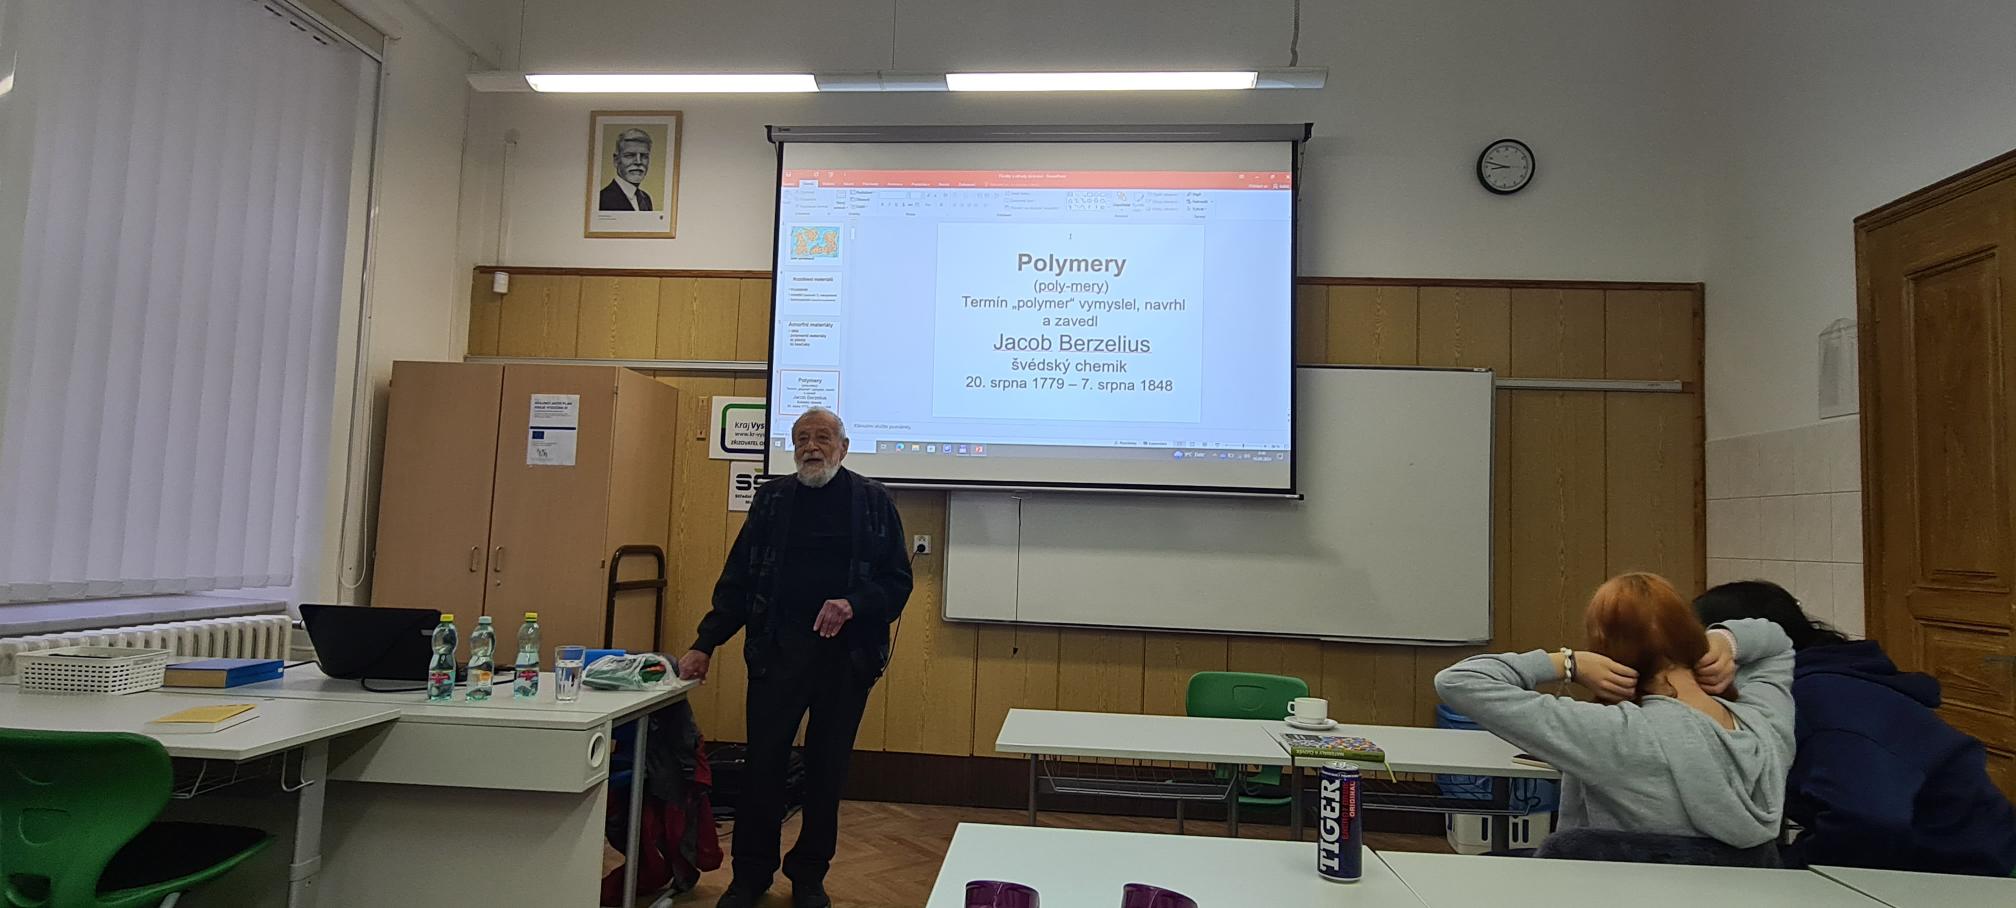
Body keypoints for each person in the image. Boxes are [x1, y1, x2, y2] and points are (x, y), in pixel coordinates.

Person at [678, 407, 911, 908]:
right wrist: (705, 643)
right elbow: (739, 579)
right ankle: (750, 876)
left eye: (823, 438)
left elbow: (897, 582)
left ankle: (809, 875)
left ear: (843, 448)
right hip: (777, 654)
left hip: (846, 660)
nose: (812, 447)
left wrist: (853, 604)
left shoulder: (873, 501)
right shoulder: (773, 499)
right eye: (802, 438)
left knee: (827, 771)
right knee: (763, 768)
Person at [1434, 572, 1796, 861]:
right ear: (1693, 632)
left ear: (1606, 650)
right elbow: (1778, 643)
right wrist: (1727, 641)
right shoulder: (1766, 724)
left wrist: (1568, 663)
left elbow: (1459, 681)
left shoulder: (1610, 732)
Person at [1695, 580, 2016, 875]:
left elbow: (1868, 822)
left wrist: (1788, 870)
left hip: (1976, 872)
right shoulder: (1826, 673)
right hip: (1937, 855)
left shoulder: (1819, 699)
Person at [599, 127, 655, 211]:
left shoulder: (646, 199)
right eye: (630, 155)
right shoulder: (602, 199)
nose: (638, 162)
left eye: (644, 156)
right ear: (616, 160)